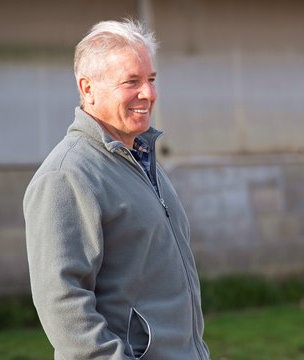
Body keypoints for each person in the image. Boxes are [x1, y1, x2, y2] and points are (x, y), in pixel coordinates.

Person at [23, 18, 210, 360]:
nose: (149, 93)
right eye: (131, 82)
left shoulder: (141, 158)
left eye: (151, 79)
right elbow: (63, 301)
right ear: (88, 88)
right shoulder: (67, 175)